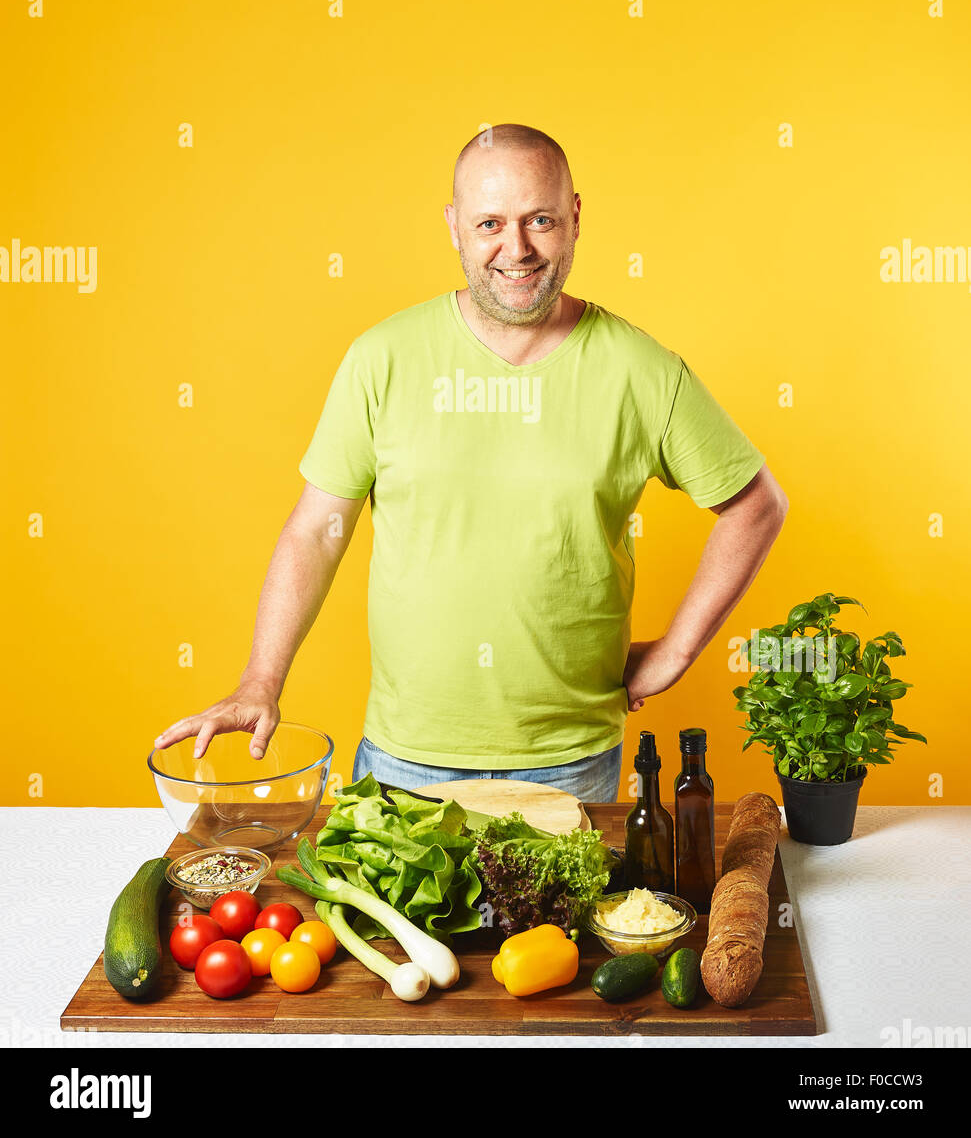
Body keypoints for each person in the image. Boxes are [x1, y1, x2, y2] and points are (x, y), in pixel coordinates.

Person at [155, 124, 787, 801]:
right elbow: (315, 530)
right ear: (453, 226)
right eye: (489, 223)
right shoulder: (383, 358)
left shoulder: (641, 371)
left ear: (573, 217)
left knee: (561, 916)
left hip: (569, 760)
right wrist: (260, 681)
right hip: (405, 759)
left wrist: (676, 652)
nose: (515, 250)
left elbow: (755, 504)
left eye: (538, 220)